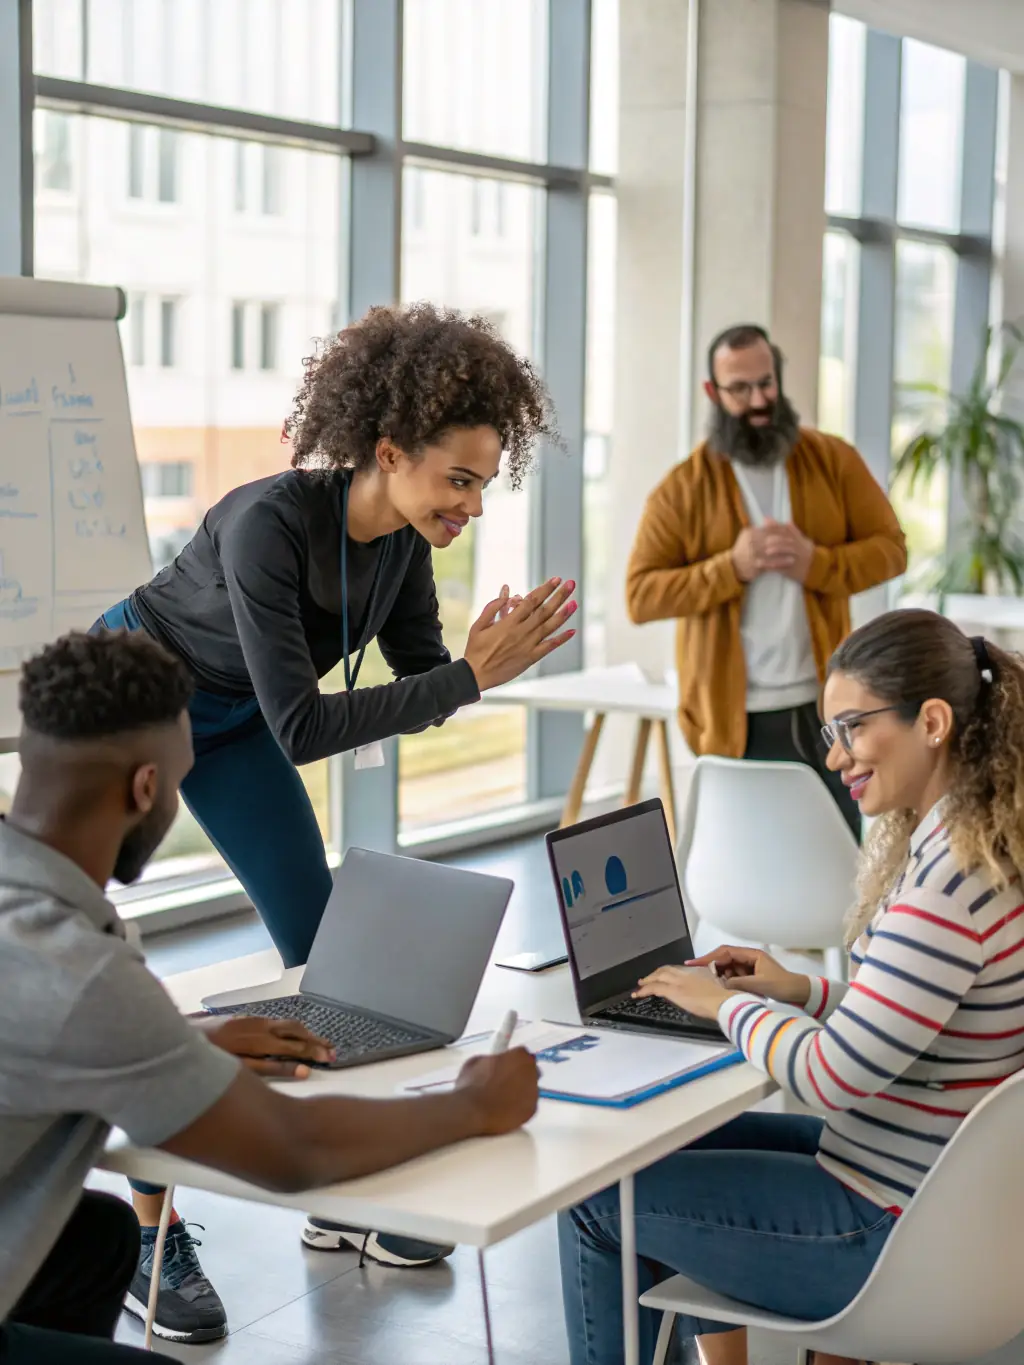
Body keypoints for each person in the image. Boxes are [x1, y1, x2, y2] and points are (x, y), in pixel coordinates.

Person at [92, 301, 576, 1329]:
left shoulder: (401, 543)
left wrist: (469, 665)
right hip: (131, 711)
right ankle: (148, 1237)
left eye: (485, 486)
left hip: (229, 730)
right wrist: (464, 683)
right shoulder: (268, 522)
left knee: (325, 952)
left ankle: (341, 1201)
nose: (473, 508)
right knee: (97, 959)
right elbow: (308, 726)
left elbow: (417, 683)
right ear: (388, 451)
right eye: (459, 481)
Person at [0, 629, 539, 1365]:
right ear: (147, 788)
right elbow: (294, 1150)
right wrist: (472, 1104)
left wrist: (179, 1039)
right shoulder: (76, 968)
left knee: (100, 1237)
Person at [559, 608, 1024, 1365]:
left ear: (932, 721)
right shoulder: (983, 849)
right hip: (929, 1196)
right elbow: (922, 1025)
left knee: (593, 1197)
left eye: (851, 728)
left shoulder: (949, 883)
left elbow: (830, 1073)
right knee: (675, 1142)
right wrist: (800, 991)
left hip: (883, 1227)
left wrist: (726, 1004)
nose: (836, 757)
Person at [625, 323, 907, 839]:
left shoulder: (832, 460)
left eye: (767, 383)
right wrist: (728, 568)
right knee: (744, 864)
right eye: (741, 388)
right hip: (732, 718)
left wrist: (815, 563)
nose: (759, 400)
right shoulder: (682, 488)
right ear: (713, 392)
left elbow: (892, 550)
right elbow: (640, 596)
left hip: (828, 709)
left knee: (839, 859)